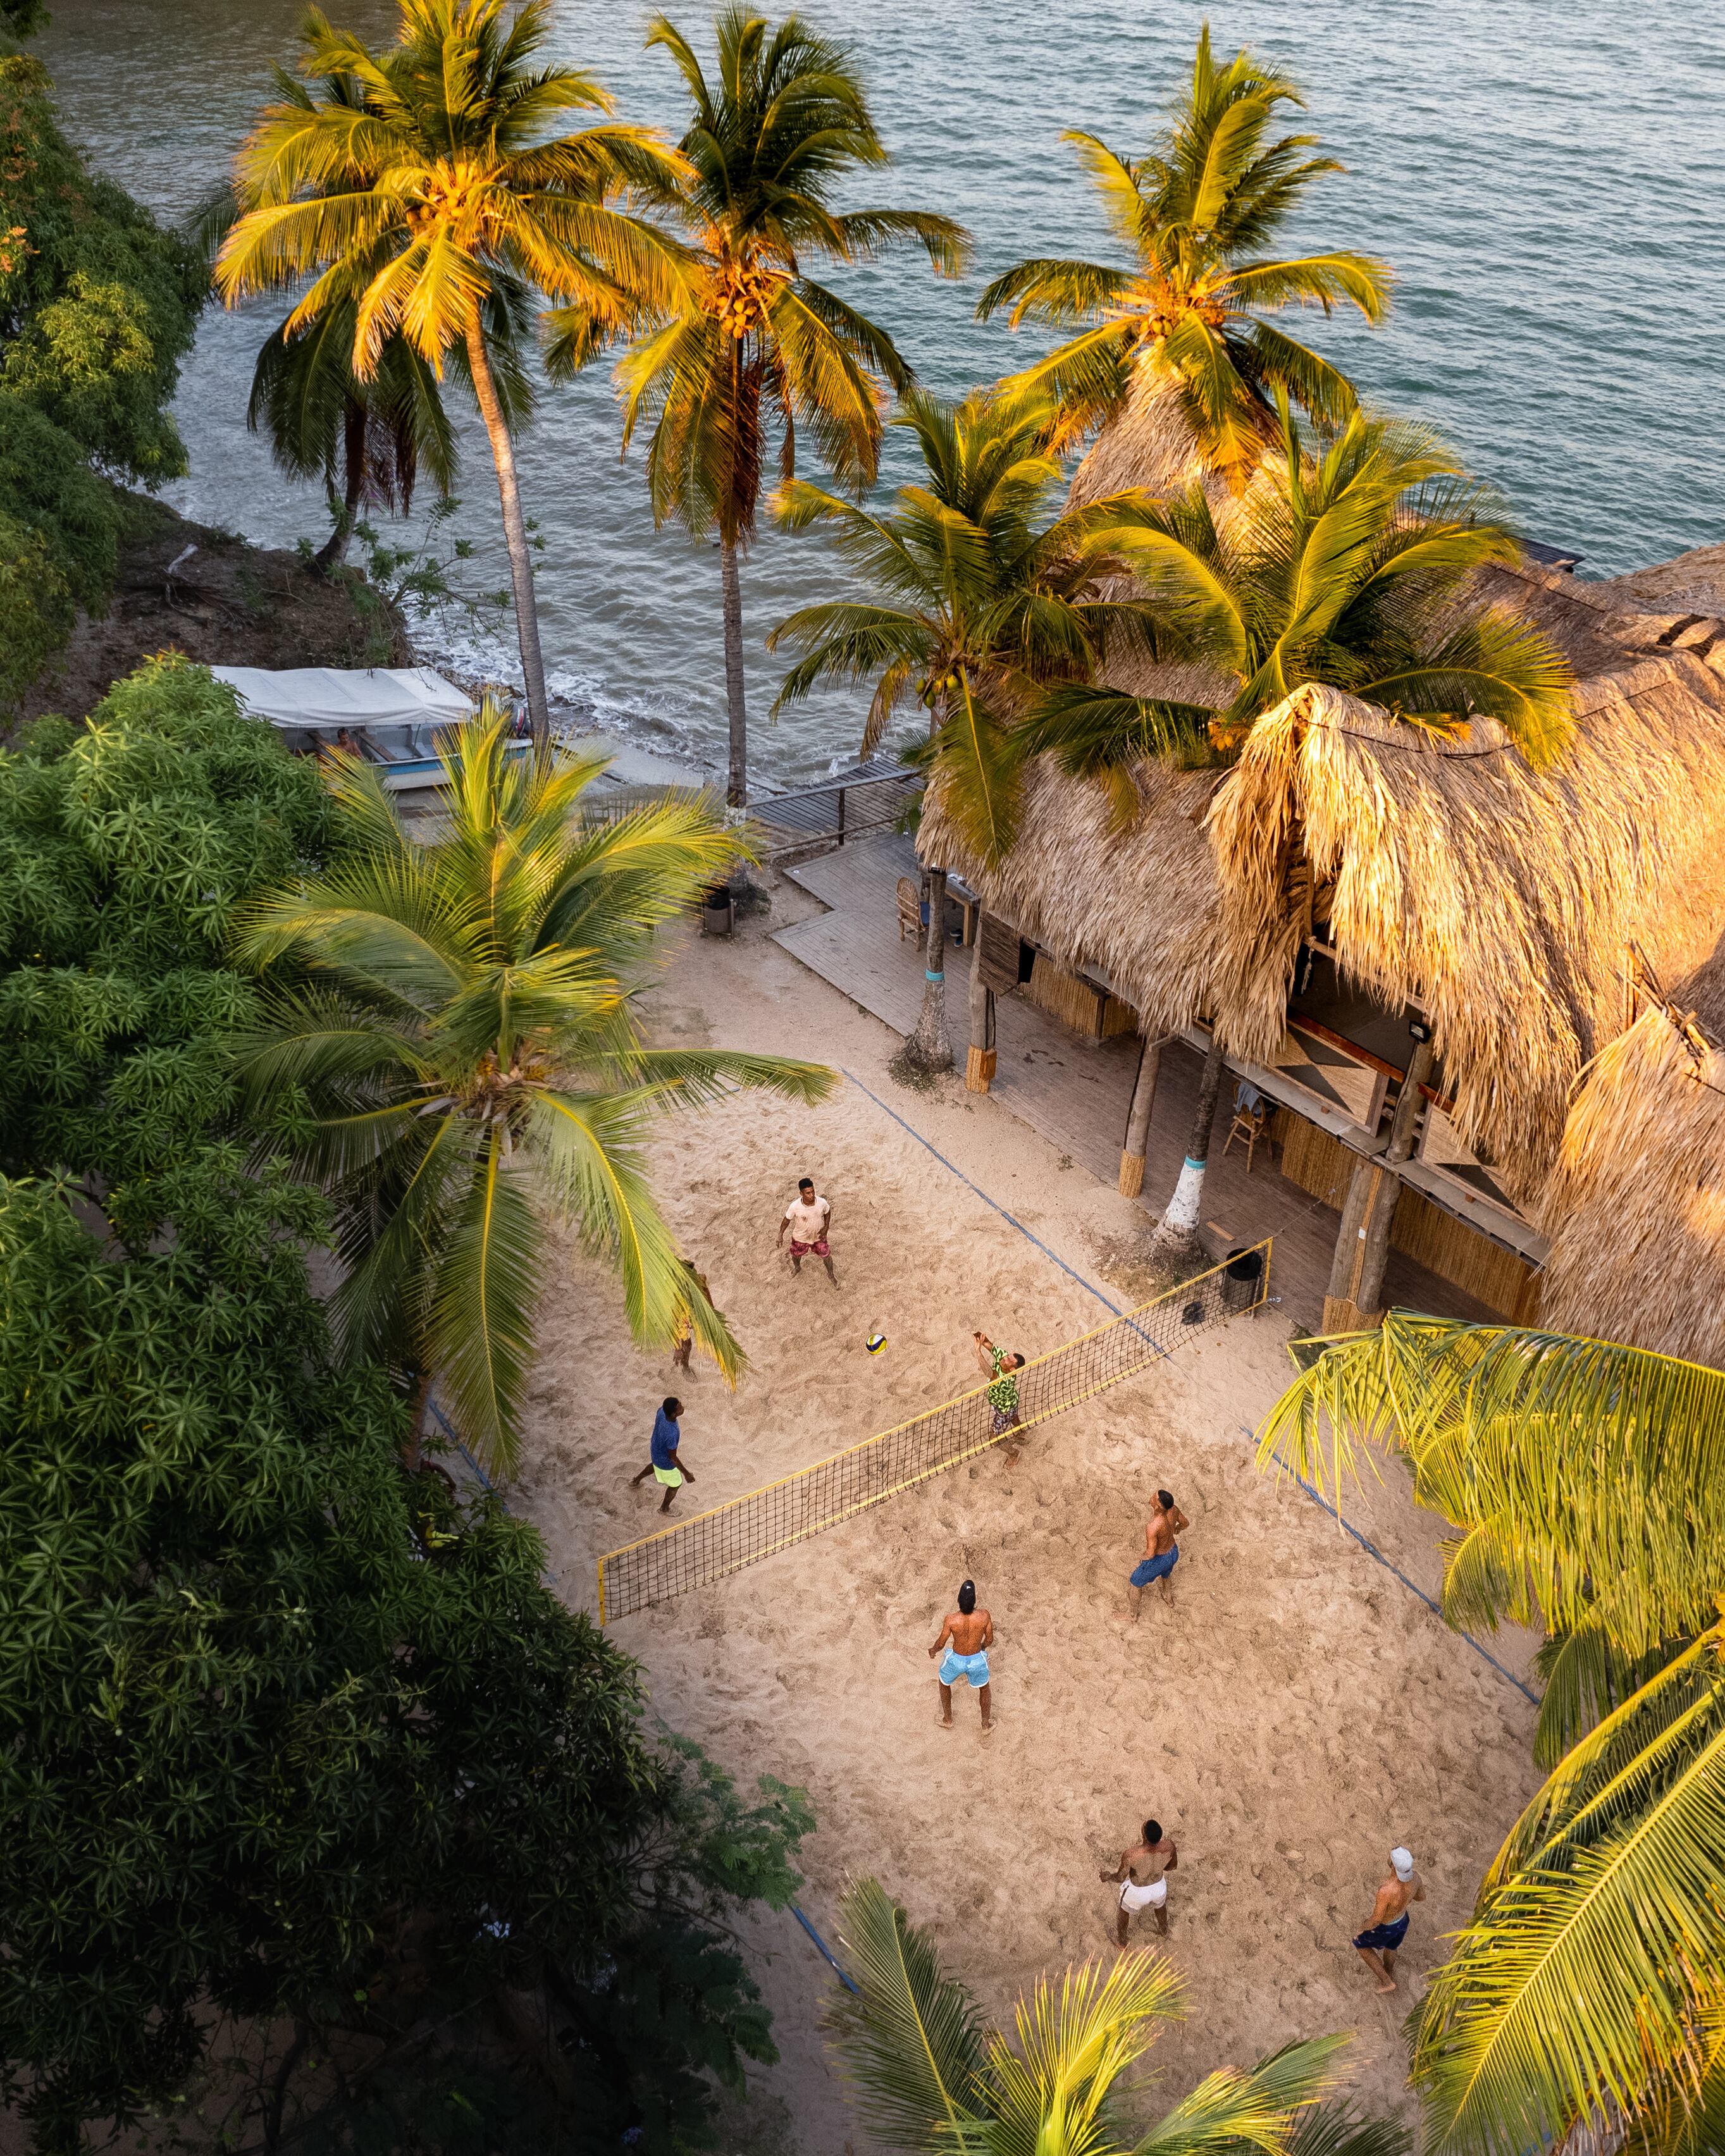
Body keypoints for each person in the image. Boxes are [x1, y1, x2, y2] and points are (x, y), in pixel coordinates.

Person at [1353, 1847, 1423, 1993]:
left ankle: (1387, 1982)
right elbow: (1421, 1897)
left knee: (1361, 1946)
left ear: (1393, 1866)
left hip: (1387, 1926)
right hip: (1403, 1920)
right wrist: (1406, 1898)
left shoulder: (1385, 1891)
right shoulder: (1416, 1878)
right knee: (1391, 1947)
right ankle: (1389, 1970)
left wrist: (1362, 1929)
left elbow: (1377, 1919)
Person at [1101, 1818, 1179, 1945]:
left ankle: (1122, 1942)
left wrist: (1108, 1876)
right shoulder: (1169, 1846)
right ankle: (1164, 1930)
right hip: (1158, 1887)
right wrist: (1157, 1866)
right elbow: (1172, 1867)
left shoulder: (1131, 1855)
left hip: (1137, 1893)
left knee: (1123, 1911)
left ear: (1144, 1836)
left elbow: (1120, 1878)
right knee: (1160, 1906)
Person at [929, 1579, 993, 1732]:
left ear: (958, 1600)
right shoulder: (984, 1616)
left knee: (944, 1682)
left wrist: (933, 1650)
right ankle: (985, 1725)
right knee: (984, 1688)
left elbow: (941, 1643)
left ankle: (948, 1720)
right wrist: (981, 1647)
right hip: (977, 1659)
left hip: (956, 1660)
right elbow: (990, 1640)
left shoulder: (951, 1620)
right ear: (974, 1600)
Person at [1117, 1489, 1188, 1620]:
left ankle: (1132, 1615)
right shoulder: (1173, 1509)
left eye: (1154, 1496)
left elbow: (1150, 1554)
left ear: (1157, 1506)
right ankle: (1168, 1597)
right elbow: (1185, 1523)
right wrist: (1177, 1529)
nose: (1152, 1495)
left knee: (1135, 1582)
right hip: (1173, 1552)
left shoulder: (1153, 1527)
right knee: (1166, 1574)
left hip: (1160, 1559)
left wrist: (1140, 1558)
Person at [630, 1396, 695, 1513]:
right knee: (676, 1484)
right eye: (680, 1407)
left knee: (655, 1464)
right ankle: (664, 1509)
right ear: (674, 1414)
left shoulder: (661, 1411)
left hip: (655, 1449)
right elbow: (673, 1457)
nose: (682, 1406)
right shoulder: (672, 1433)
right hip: (665, 1461)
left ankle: (636, 1481)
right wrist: (687, 1474)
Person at [974, 1331, 1027, 1464]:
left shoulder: (1005, 1380)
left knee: (994, 1439)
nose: (1005, 1358)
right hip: (1012, 1401)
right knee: (1014, 1416)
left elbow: (988, 1372)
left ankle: (1014, 1454)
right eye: (1008, 1356)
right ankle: (1021, 1432)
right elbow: (989, 1345)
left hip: (1004, 1410)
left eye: (1009, 1360)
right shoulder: (1004, 1357)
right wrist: (979, 1336)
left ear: (1012, 1369)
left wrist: (978, 1352)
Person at [777, 1177, 836, 1285]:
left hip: (818, 1237)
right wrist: (780, 1235)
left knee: (827, 1256)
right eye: (808, 1193)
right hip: (800, 1237)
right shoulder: (795, 1206)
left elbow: (827, 1211)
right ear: (801, 1193)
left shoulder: (822, 1202)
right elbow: (786, 1220)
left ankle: (831, 1274)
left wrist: (826, 1227)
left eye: (813, 1191)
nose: (812, 1195)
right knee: (796, 1255)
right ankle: (797, 1268)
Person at [671, 1257, 712, 1372]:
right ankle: (684, 1366)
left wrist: (712, 1314)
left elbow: (707, 1296)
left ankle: (684, 1365)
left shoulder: (699, 1282)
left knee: (687, 1344)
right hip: (681, 1314)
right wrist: (677, 1348)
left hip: (692, 1312)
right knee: (687, 1344)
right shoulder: (678, 1295)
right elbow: (674, 1321)